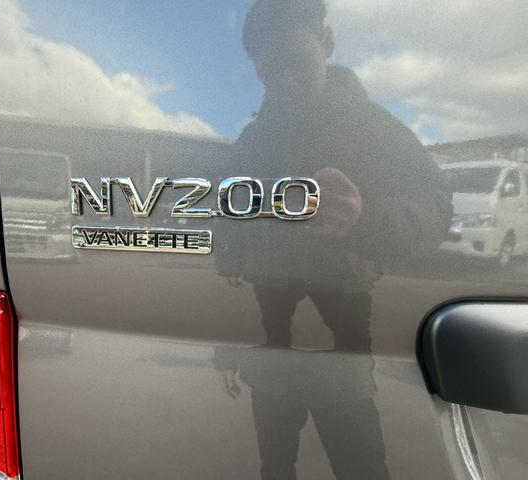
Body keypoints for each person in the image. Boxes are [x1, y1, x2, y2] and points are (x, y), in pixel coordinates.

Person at [214, 1, 452, 479]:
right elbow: (227, 242)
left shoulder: (373, 130)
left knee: (362, 469)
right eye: (269, 69)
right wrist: (226, 345)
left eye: (296, 60)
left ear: (326, 43)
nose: (284, 79)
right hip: (269, 349)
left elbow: (436, 208)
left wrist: (366, 219)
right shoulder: (251, 143)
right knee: (274, 467)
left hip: (340, 347)